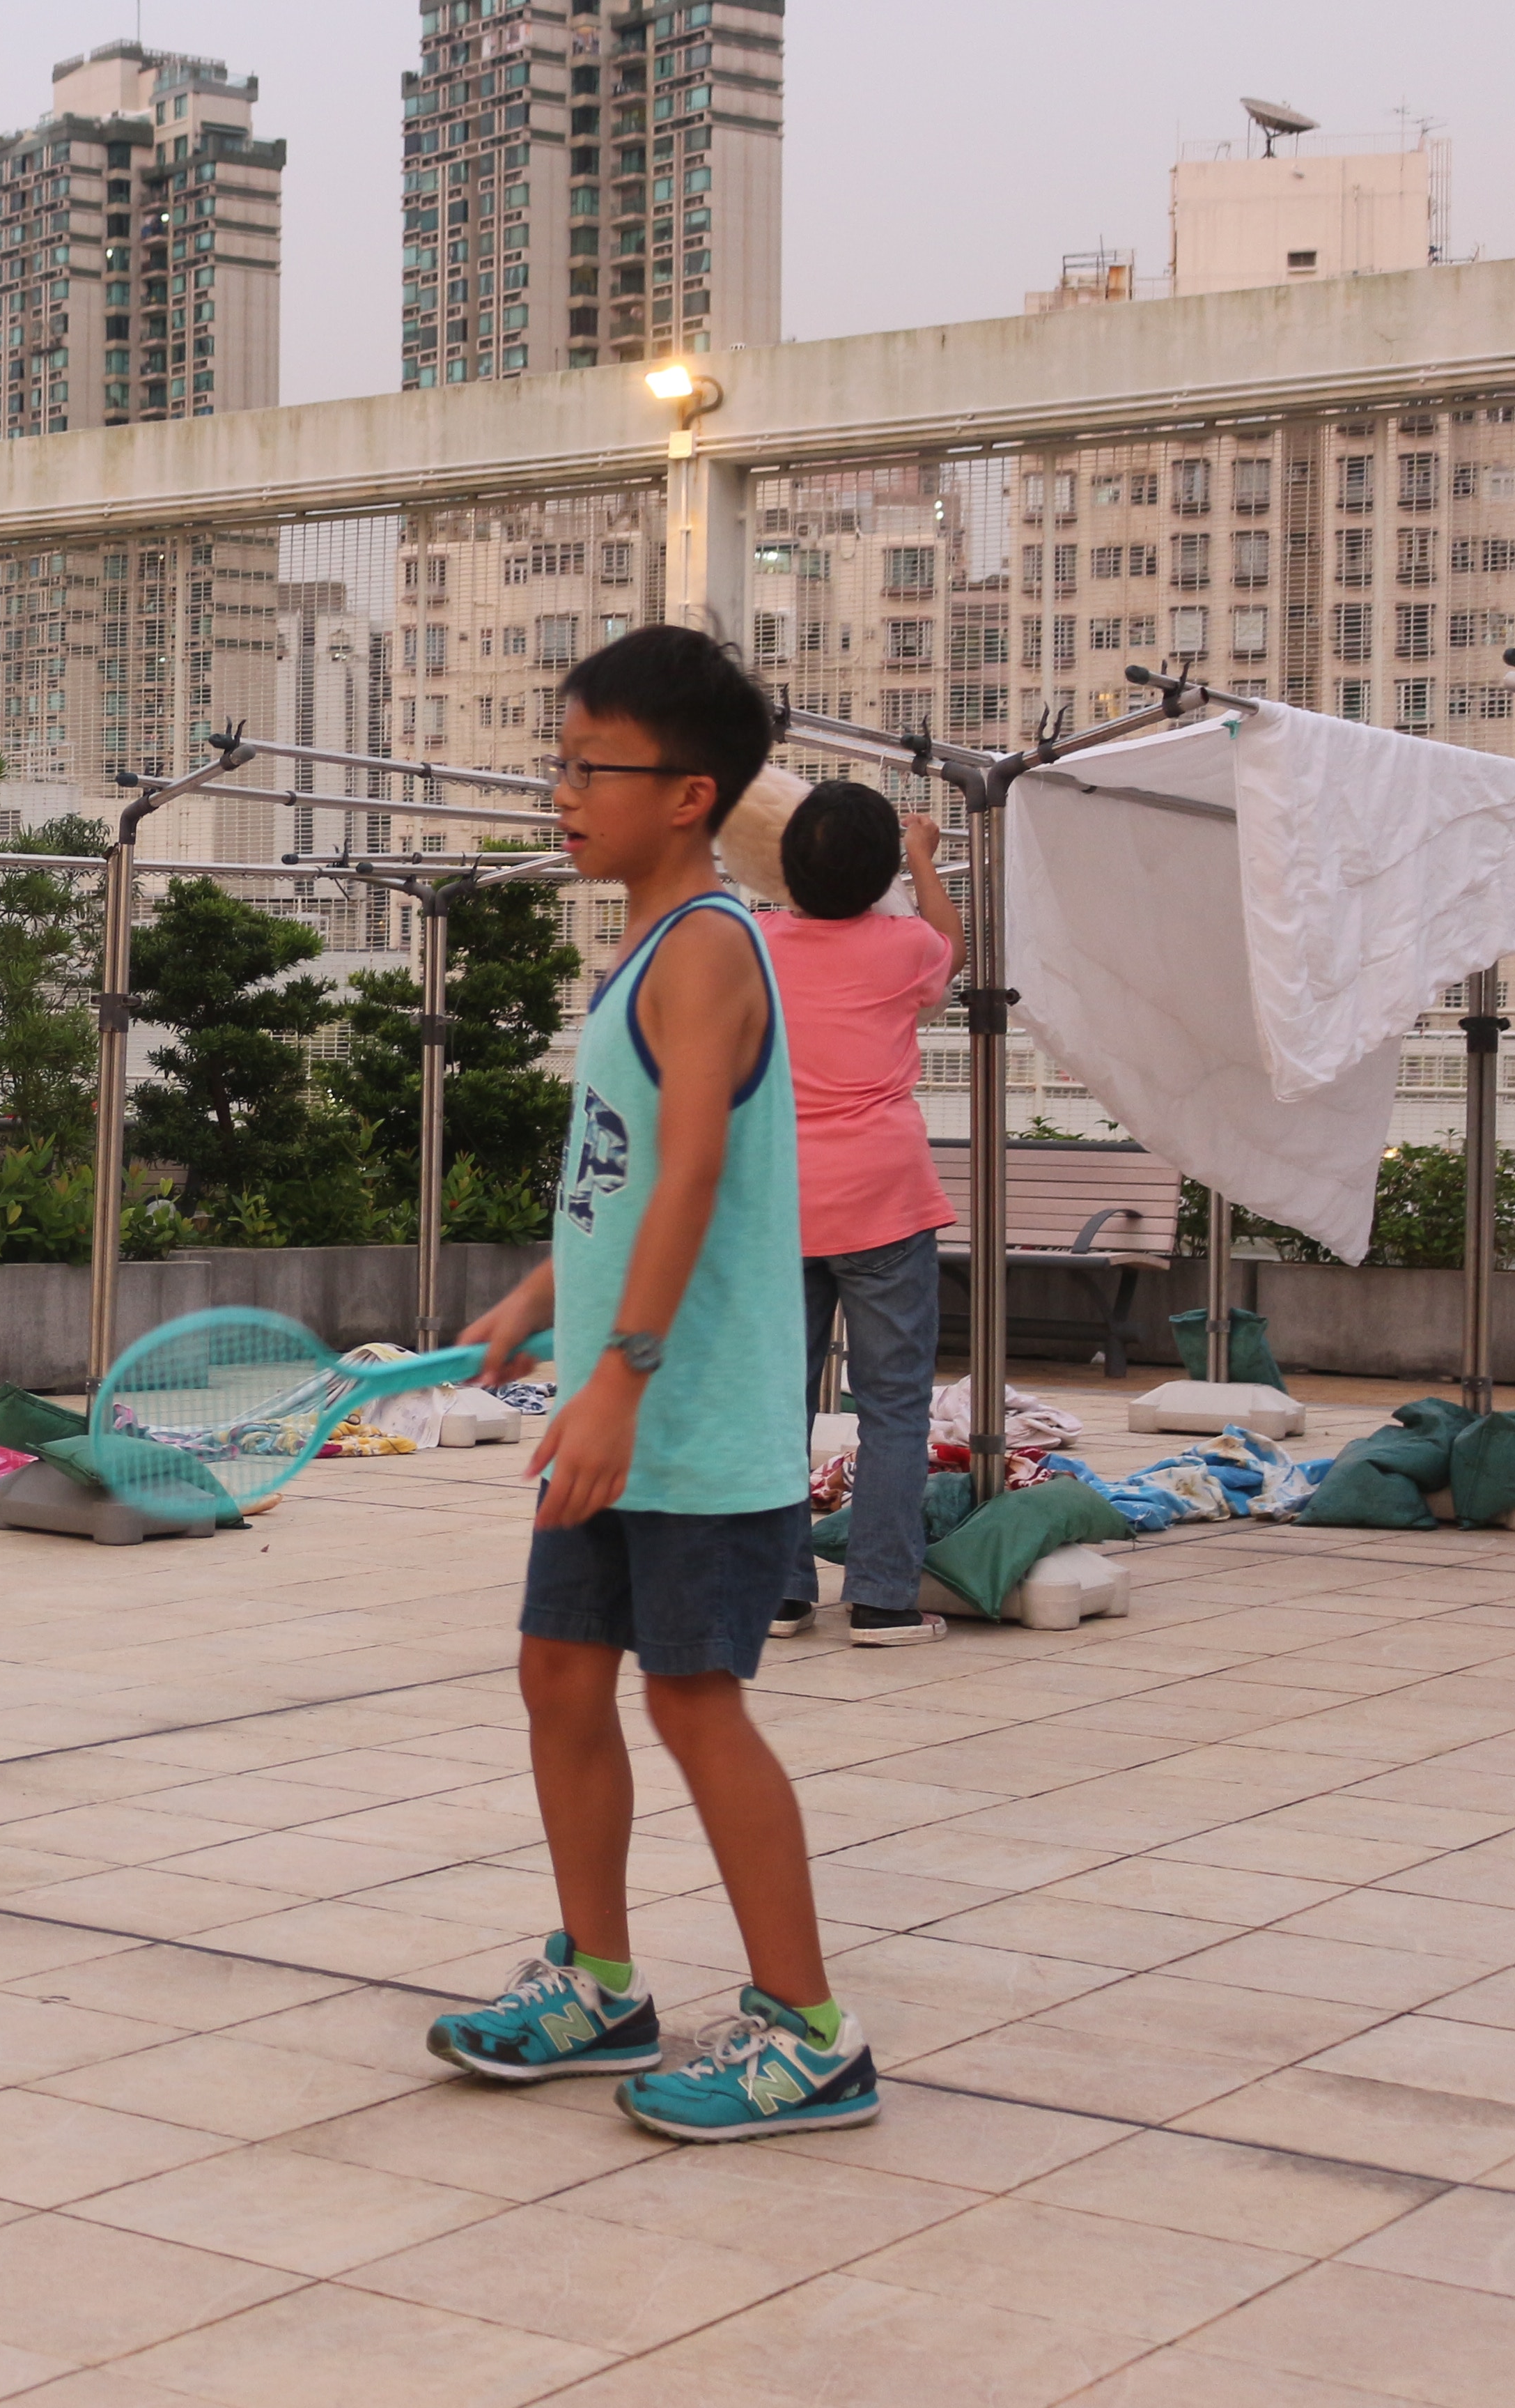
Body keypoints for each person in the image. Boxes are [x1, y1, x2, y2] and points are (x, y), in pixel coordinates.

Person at [429, 626, 878, 2142]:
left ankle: (811, 2033)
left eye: (586, 767)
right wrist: (541, 1298)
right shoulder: (649, 946)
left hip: (687, 1419)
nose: (559, 792)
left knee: (696, 1703)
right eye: (557, 760)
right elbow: (626, 1186)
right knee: (558, 1674)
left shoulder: (706, 952)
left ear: (687, 794)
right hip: (618, 1406)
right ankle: (600, 1983)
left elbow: (696, 1171)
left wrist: (619, 1377)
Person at [763, 782, 964, 1648]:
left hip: (776, 1202)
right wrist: (923, 854)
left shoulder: (753, 943)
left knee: (776, 1401)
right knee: (892, 1405)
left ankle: (779, 1591)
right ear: (882, 871)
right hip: (884, 1199)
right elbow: (950, 946)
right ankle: (882, 1598)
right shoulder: (904, 946)